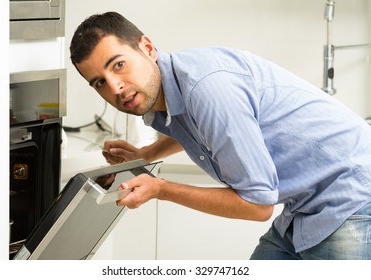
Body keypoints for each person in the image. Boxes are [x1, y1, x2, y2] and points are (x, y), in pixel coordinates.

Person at [70, 11, 371, 260]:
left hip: (351, 196)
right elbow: (202, 127)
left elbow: (257, 206)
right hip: (306, 206)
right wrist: (146, 155)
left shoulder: (207, 88)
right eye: (99, 83)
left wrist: (160, 188)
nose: (115, 87)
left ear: (146, 47)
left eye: (118, 65)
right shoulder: (176, 87)